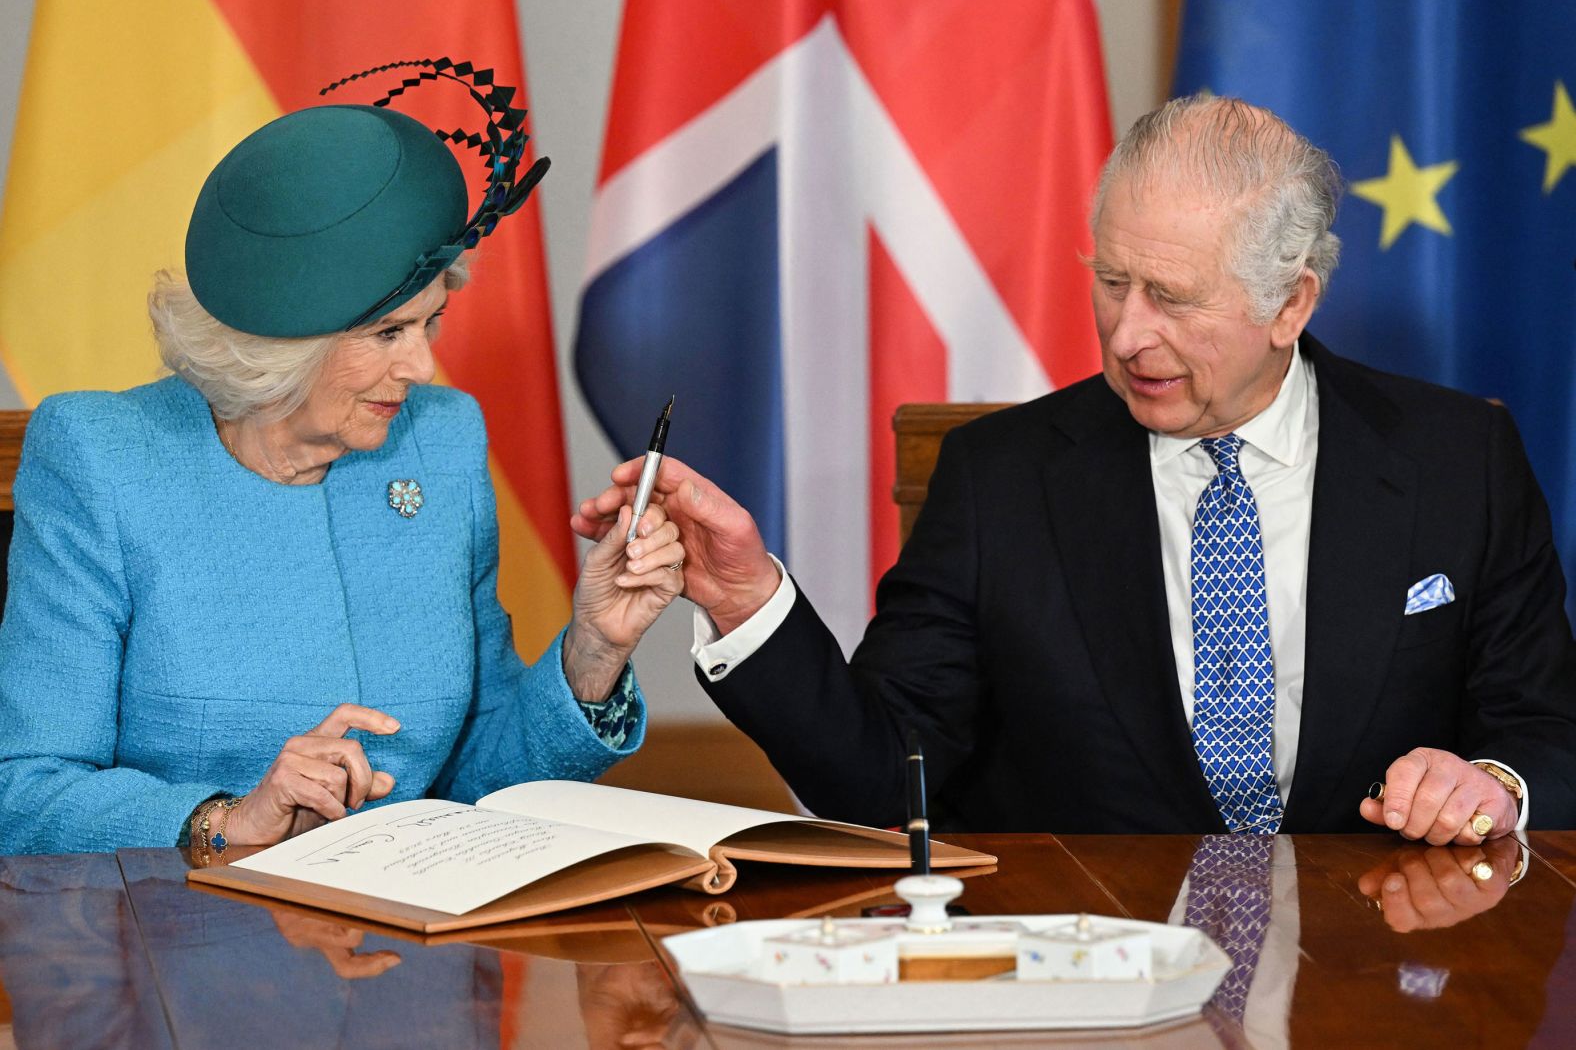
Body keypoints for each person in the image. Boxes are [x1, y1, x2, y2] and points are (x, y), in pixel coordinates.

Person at [575, 94, 1576, 840]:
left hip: (1379, 971)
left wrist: (1493, 780)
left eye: (1172, 296)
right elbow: (888, 778)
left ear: (1290, 305)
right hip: (1084, 962)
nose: (1127, 334)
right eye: (1110, 281)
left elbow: (1545, 727)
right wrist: (749, 598)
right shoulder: (998, 480)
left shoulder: (1457, 461)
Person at [0, 78, 686, 855]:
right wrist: (228, 819)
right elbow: (24, 791)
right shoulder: (100, 458)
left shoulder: (442, 441)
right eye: (388, 332)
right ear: (281, 342)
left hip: (414, 948)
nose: (423, 367)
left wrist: (594, 648)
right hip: (182, 942)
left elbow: (480, 774)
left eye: (432, 322)